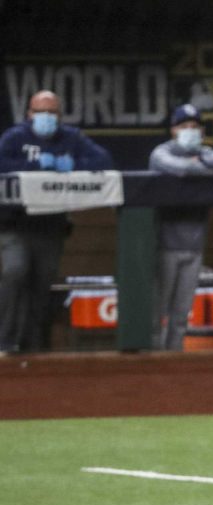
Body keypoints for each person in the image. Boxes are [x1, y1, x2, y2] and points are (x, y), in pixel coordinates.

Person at [0, 89, 114, 353]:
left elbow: (103, 160)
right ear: (29, 114)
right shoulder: (15, 137)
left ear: (60, 116)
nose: (46, 117)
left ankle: (32, 344)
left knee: (42, 283)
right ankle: (4, 340)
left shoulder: (70, 138)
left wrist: (71, 164)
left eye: (52, 112)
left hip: (50, 226)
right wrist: (39, 166)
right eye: (41, 112)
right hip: (15, 224)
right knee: (14, 271)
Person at [148, 104, 213, 350]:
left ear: (201, 131)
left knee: (181, 314)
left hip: (195, 245)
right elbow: (181, 168)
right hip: (165, 244)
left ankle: (174, 358)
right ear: (173, 130)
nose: (189, 131)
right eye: (184, 126)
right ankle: (153, 361)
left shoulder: (204, 153)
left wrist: (202, 159)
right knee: (157, 313)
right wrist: (207, 169)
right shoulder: (161, 152)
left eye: (194, 127)